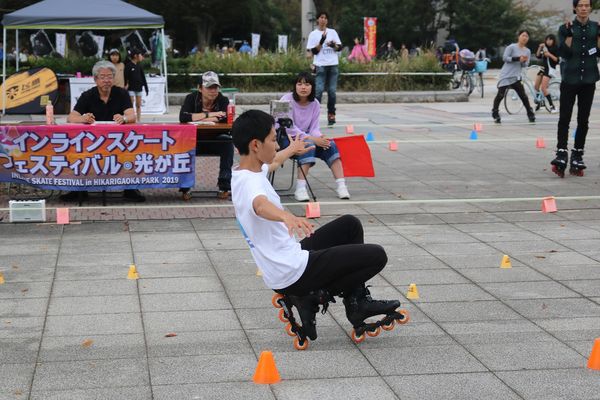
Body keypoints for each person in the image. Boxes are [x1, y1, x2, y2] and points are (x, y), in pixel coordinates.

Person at [231, 109, 405, 345]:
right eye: (272, 139)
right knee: (376, 255)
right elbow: (260, 205)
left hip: (287, 260)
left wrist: (292, 149)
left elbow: (274, 161)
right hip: (293, 271)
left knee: (350, 225)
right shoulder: (250, 186)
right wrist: (286, 216)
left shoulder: (245, 171)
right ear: (255, 145)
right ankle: (313, 296)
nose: (276, 145)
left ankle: (356, 303)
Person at [62, 60, 144, 203]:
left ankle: (130, 189)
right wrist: (83, 118)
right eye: (103, 77)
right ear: (95, 79)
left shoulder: (122, 93)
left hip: (118, 142)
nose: (106, 80)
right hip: (92, 142)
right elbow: (71, 117)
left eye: (110, 77)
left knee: (132, 150)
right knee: (77, 151)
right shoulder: (88, 95)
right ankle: (79, 190)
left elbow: (132, 116)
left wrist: (124, 118)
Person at [278, 72, 350, 201]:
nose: (303, 87)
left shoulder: (315, 103)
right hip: (285, 138)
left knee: (330, 144)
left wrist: (320, 137)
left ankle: (341, 185)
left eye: (307, 84)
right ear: (295, 86)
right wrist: (312, 139)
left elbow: (314, 128)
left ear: (312, 87)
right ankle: (300, 188)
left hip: (306, 137)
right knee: (309, 145)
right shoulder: (285, 100)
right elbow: (288, 128)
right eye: (299, 84)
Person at [551, 0, 599, 177]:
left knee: (583, 120)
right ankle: (561, 152)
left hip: (589, 79)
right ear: (575, 8)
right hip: (569, 79)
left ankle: (578, 154)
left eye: (587, 5)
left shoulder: (596, 28)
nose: (584, 8)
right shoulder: (565, 28)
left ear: (590, 8)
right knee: (564, 117)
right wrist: (569, 35)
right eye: (580, 6)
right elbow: (564, 53)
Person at [179, 71, 233, 200]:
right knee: (183, 146)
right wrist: (209, 115)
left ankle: (224, 186)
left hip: (216, 139)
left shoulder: (223, 100)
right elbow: (183, 117)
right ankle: (185, 187)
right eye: (209, 87)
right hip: (194, 139)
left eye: (216, 87)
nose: (213, 91)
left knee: (227, 142)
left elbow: (224, 118)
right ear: (200, 88)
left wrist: (196, 118)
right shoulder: (191, 98)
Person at [491, 30, 536, 124]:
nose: (525, 38)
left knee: (523, 96)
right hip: (506, 75)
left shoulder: (527, 51)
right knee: (500, 95)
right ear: (519, 36)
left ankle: (530, 112)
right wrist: (517, 58)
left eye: (527, 36)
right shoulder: (511, 47)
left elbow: (525, 65)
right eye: (523, 35)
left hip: (516, 76)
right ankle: (495, 113)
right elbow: (505, 58)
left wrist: (523, 61)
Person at [307, 11, 342, 126]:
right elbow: (312, 52)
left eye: (325, 18)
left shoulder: (332, 32)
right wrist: (322, 41)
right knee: (318, 91)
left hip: (333, 65)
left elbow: (339, 48)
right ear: (318, 19)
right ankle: (314, 115)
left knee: (332, 92)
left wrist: (333, 45)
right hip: (320, 65)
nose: (323, 20)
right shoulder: (313, 34)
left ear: (327, 20)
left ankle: (331, 114)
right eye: (321, 17)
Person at [533, 35, 558, 113]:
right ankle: (540, 103)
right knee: (536, 87)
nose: (548, 41)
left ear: (553, 40)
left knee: (543, 88)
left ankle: (552, 106)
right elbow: (538, 56)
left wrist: (549, 54)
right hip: (542, 69)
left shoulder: (555, 48)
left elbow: (557, 60)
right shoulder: (545, 48)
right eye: (547, 40)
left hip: (549, 70)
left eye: (550, 40)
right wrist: (540, 47)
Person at [124, 49, 148, 122]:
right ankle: (131, 118)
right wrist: (126, 84)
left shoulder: (139, 66)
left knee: (138, 105)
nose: (141, 57)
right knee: (131, 104)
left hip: (139, 87)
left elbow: (143, 77)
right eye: (140, 55)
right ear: (135, 56)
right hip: (131, 88)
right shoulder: (128, 65)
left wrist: (146, 88)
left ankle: (138, 119)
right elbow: (125, 76)